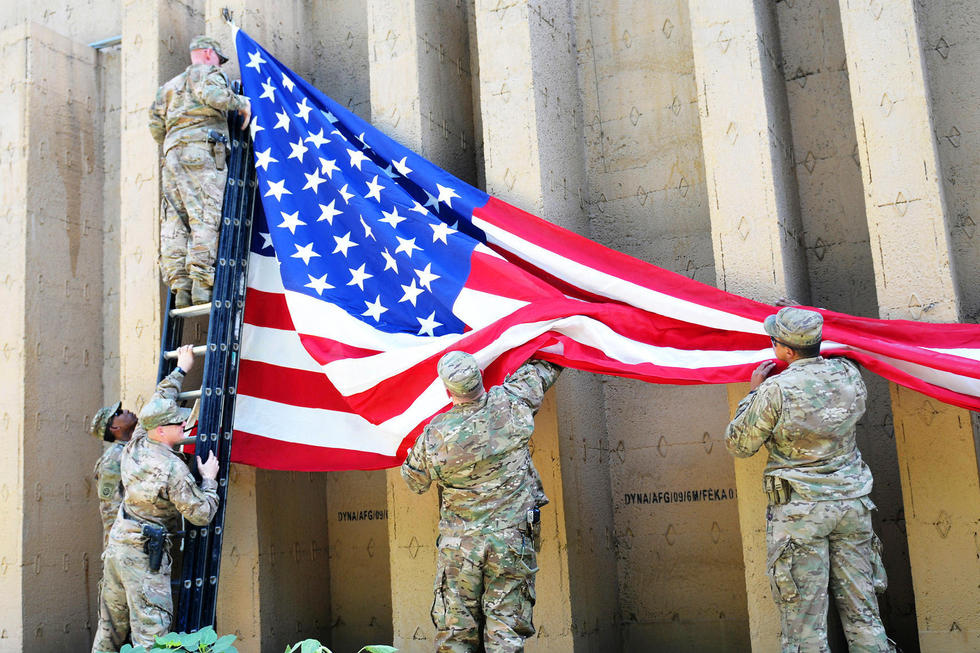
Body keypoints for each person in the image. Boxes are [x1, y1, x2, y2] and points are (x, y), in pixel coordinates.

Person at [725, 307, 893, 652]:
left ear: (786, 351)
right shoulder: (848, 375)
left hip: (802, 513)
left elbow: (739, 444)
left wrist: (754, 393)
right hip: (852, 506)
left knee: (804, 623)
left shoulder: (775, 390)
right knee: (864, 615)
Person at [401, 351, 561, 653]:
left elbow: (415, 481)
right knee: (506, 631)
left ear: (448, 390)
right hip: (512, 543)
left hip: (460, 549)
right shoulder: (513, 401)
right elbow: (548, 366)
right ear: (480, 377)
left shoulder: (436, 435)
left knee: (456, 635)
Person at [91, 345, 220, 652]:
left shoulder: (135, 441)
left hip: (119, 550)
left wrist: (182, 368)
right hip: (141, 558)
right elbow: (201, 515)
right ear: (161, 430)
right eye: (178, 423)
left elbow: (161, 396)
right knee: (152, 638)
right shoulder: (171, 468)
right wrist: (211, 481)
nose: (184, 425)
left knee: (109, 631)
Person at [148, 35, 251, 308]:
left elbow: (155, 127)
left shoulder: (167, 88)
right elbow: (214, 95)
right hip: (201, 152)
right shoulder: (207, 72)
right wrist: (241, 103)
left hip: (171, 157)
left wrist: (177, 141)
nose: (220, 63)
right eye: (218, 58)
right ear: (208, 53)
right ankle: (202, 283)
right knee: (205, 213)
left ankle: (180, 287)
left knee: (175, 220)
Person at [90, 401, 138, 547]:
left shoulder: (134, 449)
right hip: (125, 542)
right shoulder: (112, 459)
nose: (126, 411)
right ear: (114, 427)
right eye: (118, 413)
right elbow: (110, 506)